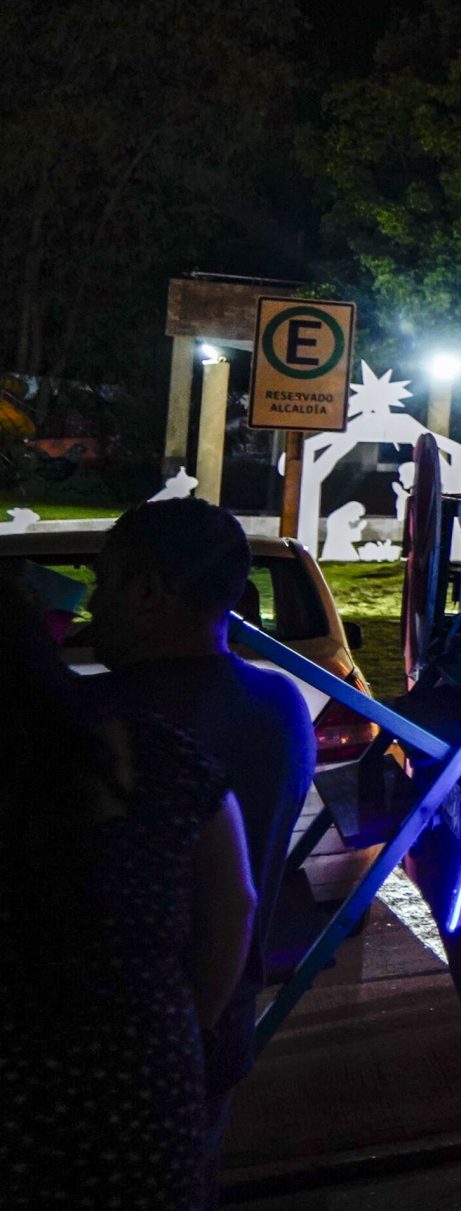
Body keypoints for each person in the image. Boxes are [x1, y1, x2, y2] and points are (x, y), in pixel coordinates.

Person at [0, 578, 257, 1208]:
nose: (93, 605)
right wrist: (180, 1025)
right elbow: (236, 903)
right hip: (140, 1088)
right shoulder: (153, 754)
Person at [82, 499, 317, 1184]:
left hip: (104, 1046)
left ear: (147, 591)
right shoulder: (280, 707)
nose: (92, 603)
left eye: (103, 581)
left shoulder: (111, 725)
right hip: (220, 1029)